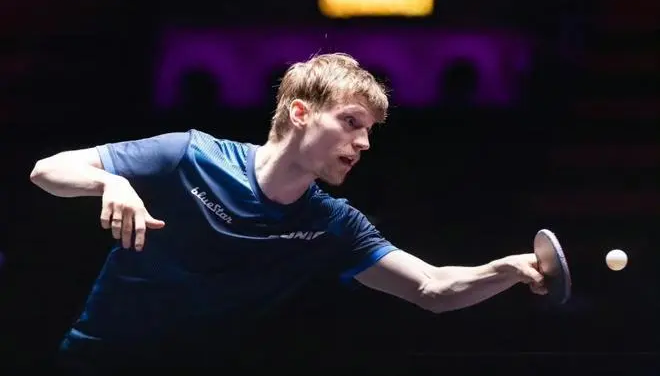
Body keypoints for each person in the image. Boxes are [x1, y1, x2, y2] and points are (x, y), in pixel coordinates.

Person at [30, 53, 547, 372]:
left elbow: (431, 288)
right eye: (351, 122)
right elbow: (47, 170)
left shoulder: (331, 223)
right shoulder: (189, 155)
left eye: (369, 131)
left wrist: (504, 270)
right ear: (300, 112)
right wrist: (110, 182)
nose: (364, 143)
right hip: (99, 362)